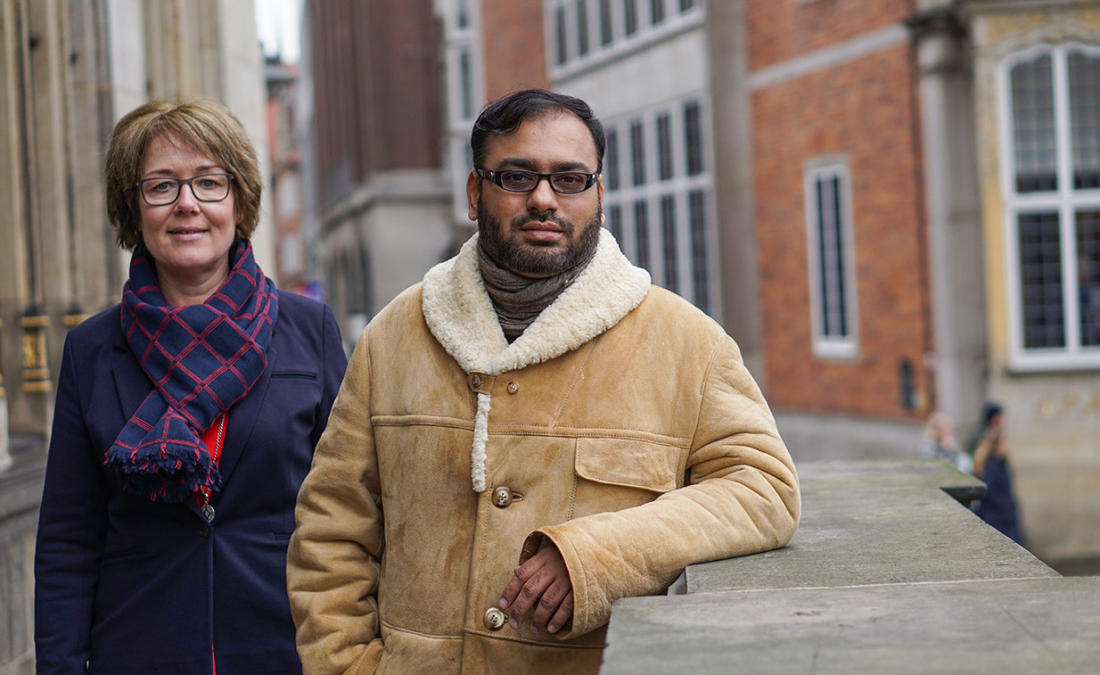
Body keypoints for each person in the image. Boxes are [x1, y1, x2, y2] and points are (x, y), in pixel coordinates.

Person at [287, 88, 800, 674]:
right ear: (475, 193)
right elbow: (332, 531)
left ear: (599, 196)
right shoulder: (394, 337)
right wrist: (349, 666)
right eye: (515, 177)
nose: (543, 198)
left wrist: (596, 556)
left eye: (570, 179)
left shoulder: (686, 343)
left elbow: (764, 489)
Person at [34, 99, 347, 674]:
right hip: (138, 650)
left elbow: (354, 509)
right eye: (161, 186)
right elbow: (67, 545)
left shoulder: (309, 331)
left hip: (286, 647)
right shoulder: (91, 351)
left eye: (209, 183)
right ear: (133, 206)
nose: (187, 205)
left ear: (239, 199)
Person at [972, 402, 1023, 544]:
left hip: (1002, 517)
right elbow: (989, 492)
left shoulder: (998, 462)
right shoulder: (992, 464)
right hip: (999, 519)